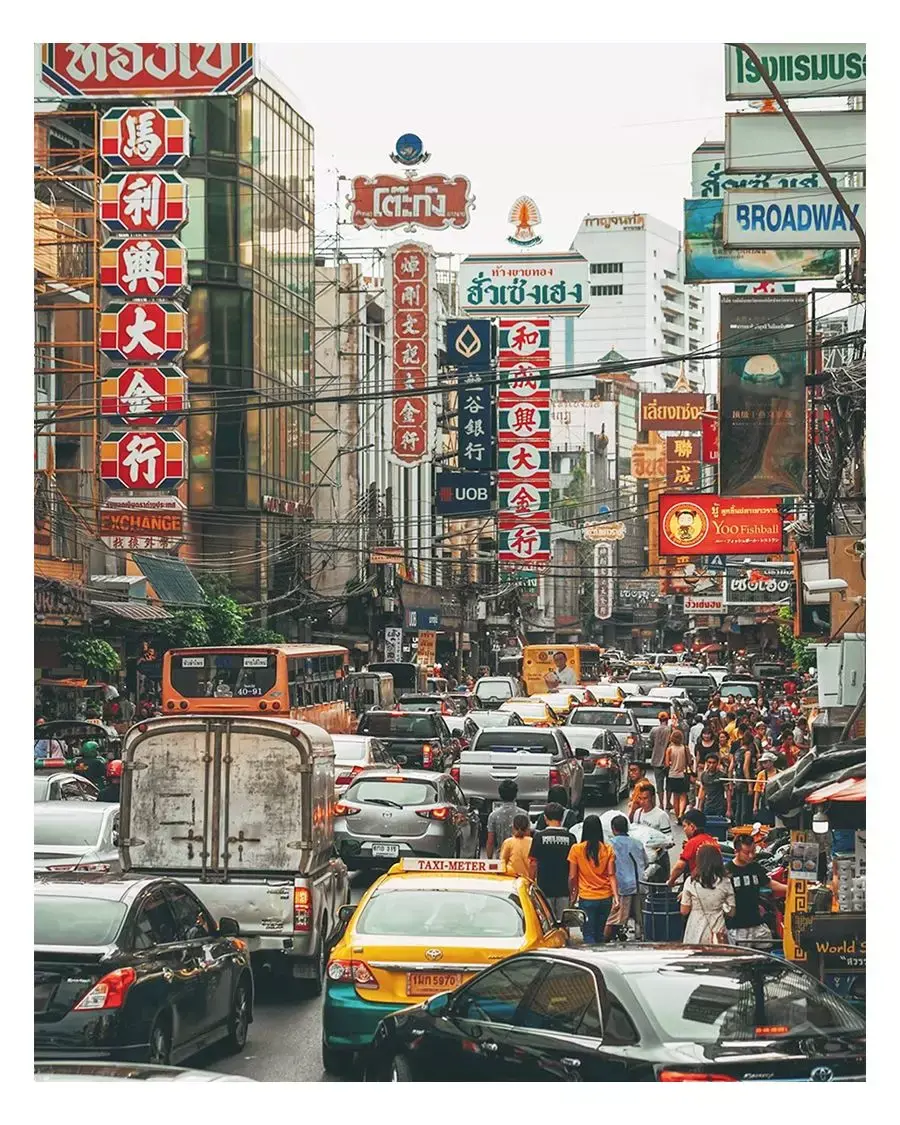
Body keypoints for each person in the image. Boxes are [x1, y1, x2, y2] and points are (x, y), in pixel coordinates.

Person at [724, 833, 786, 946]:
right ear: (736, 852)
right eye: (747, 853)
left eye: (753, 851)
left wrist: (790, 888)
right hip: (736, 927)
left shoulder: (755, 867)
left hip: (757, 923)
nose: (751, 856)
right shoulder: (727, 871)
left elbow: (769, 883)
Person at [567, 816, 618, 944]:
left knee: (588, 934)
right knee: (600, 933)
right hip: (606, 898)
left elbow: (572, 876)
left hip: (587, 898)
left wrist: (573, 894)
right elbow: (612, 875)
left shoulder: (576, 849)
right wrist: (616, 897)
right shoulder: (608, 849)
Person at [680, 844, 736, 944]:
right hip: (718, 930)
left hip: (696, 929)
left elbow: (684, 910)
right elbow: (731, 912)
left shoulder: (691, 882)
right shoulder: (725, 882)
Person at [530, 802, 576, 919]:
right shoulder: (570, 838)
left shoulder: (539, 837)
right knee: (563, 923)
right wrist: (573, 890)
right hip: (563, 889)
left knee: (548, 922)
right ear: (562, 817)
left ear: (545, 818)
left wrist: (530, 882)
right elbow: (573, 868)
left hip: (544, 888)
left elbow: (533, 863)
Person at [604, 815, 646, 941]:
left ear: (613, 829)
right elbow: (646, 861)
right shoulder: (638, 843)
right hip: (639, 885)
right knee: (641, 918)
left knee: (613, 919)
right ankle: (641, 937)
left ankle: (603, 941)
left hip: (621, 888)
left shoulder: (609, 845)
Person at [667, 809, 721, 887]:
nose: (684, 830)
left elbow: (679, 867)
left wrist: (671, 881)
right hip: (715, 883)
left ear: (692, 827)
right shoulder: (712, 841)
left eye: (685, 826)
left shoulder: (693, 842)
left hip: (699, 884)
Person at [631, 782, 673, 881]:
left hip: (659, 860)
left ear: (652, 798)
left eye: (645, 798)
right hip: (643, 859)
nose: (642, 802)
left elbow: (669, 840)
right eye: (640, 798)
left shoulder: (661, 815)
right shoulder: (638, 813)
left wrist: (657, 847)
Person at [485, 779, 528, 857]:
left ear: (500, 796)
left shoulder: (493, 816)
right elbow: (527, 839)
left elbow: (490, 841)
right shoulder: (524, 814)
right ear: (515, 795)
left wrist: (489, 859)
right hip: (519, 857)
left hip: (501, 857)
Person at [664, 729, 691, 822]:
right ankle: (681, 814)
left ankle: (677, 817)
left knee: (675, 797)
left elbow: (667, 764)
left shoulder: (669, 749)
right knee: (683, 796)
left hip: (672, 775)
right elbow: (690, 761)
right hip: (683, 775)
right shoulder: (685, 748)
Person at [731, 731, 756, 826]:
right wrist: (749, 784)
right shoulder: (747, 753)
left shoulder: (736, 752)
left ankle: (737, 825)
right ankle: (743, 826)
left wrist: (731, 782)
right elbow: (745, 768)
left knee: (738, 806)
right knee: (745, 807)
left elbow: (731, 767)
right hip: (745, 781)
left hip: (737, 780)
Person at [649, 711, 671, 810]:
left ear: (659, 720)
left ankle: (661, 803)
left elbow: (650, 743)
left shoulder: (654, 730)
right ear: (667, 719)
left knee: (659, 783)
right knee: (669, 783)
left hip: (656, 760)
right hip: (669, 761)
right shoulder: (670, 729)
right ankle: (668, 803)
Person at [698, 751, 729, 821]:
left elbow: (728, 792)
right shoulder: (704, 775)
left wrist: (729, 809)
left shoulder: (722, 775)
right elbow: (702, 790)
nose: (711, 765)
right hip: (708, 806)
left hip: (719, 806)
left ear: (717, 763)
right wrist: (699, 807)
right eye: (709, 762)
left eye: (714, 763)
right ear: (706, 763)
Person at [499, 814, 533, 879]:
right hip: (529, 879)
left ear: (513, 827)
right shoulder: (532, 842)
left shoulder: (508, 842)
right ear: (528, 828)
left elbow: (502, 864)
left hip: (511, 878)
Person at [753, 751, 780, 825]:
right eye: (762, 763)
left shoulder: (780, 773)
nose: (763, 764)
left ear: (771, 762)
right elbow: (757, 790)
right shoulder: (761, 774)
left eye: (766, 762)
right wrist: (755, 805)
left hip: (776, 802)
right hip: (764, 802)